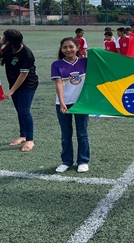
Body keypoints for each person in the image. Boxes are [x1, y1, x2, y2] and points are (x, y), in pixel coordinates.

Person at [0, 29, 39, 152]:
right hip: (14, 83)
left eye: (5, 38)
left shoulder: (26, 54)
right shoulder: (9, 48)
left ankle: (30, 140)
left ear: (11, 40)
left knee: (24, 110)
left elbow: (23, 75)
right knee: (19, 110)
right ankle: (22, 136)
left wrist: (11, 91)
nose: (3, 39)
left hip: (27, 84)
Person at [51, 37, 90, 173]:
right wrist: (61, 102)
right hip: (63, 104)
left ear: (77, 48)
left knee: (82, 133)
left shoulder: (85, 62)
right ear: (61, 50)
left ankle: (83, 161)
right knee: (66, 134)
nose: (68, 50)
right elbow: (59, 83)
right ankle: (66, 161)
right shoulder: (57, 64)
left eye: (71, 47)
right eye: (65, 47)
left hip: (81, 104)